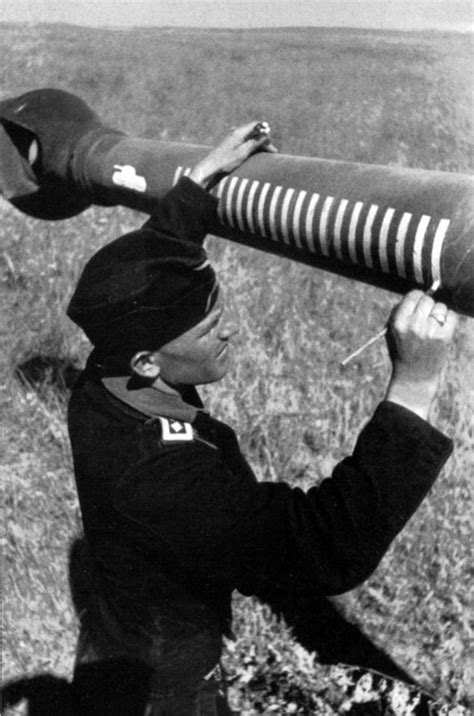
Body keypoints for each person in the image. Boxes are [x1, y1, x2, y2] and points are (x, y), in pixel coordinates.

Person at [66, 123, 456, 715]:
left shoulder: (106, 378)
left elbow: (152, 265)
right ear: (148, 360)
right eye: (206, 328)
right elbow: (321, 547)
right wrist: (414, 387)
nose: (228, 330)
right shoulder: (163, 478)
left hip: (117, 643)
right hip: (163, 691)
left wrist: (201, 177)